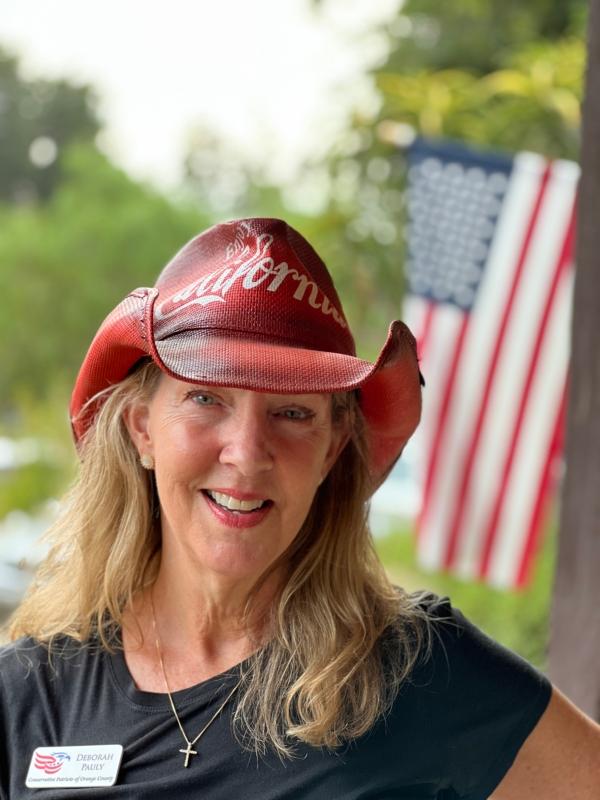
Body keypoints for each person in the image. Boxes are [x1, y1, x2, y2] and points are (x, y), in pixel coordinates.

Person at [0, 217, 598, 799]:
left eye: (292, 413)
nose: (247, 452)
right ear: (142, 430)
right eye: (206, 397)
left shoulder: (422, 670)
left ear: (333, 448)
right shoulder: (29, 693)